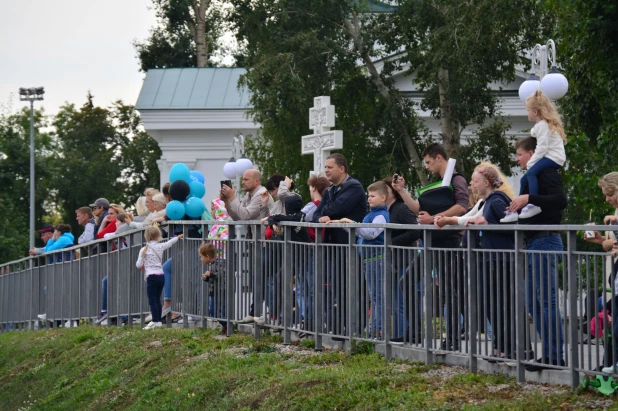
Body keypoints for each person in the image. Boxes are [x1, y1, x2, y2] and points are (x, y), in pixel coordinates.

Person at [392, 143, 468, 351]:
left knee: (447, 290)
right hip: (431, 241)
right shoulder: (438, 183)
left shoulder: (456, 179)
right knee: (406, 282)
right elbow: (419, 210)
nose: (426, 166)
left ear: (439, 158)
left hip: (447, 241)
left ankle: (452, 339)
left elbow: (462, 206)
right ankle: (415, 333)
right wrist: (402, 191)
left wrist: (434, 218)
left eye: (427, 162)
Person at [508, 136, 567, 371]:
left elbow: (561, 201)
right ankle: (551, 355)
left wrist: (529, 198)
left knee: (546, 301)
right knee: (533, 302)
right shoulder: (532, 177)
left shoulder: (546, 173)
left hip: (545, 241)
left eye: (520, 154)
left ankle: (555, 356)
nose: (517, 159)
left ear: (532, 153)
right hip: (534, 242)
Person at [312, 153, 366, 334]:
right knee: (339, 287)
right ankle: (342, 326)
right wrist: (323, 216)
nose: (325, 170)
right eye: (325, 167)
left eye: (329, 167)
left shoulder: (353, 186)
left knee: (355, 286)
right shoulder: (330, 190)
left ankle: (357, 327)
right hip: (335, 246)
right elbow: (316, 214)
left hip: (353, 244)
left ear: (341, 169)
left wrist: (326, 213)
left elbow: (337, 208)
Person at [466, 165, 515, 361]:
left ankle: (506, 347)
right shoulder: (486, 202)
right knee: (491, 304)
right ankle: (498, 345)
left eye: (475, 181)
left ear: (487, 183)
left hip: (500, 258)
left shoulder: (496, 200)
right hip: (491, 257)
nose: (472, 185)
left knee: (500, 304)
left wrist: (488, 225)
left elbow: (512, 225)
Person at [330, 181, 390, 338]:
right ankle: (374, 329)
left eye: (372, 196)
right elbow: (361, 231)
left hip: (376, 258)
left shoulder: (381, 216)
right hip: (368, 259)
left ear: (383, 197)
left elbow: (371, 233)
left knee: (377, 297)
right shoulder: (371, 214)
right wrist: (343, 223)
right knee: (374, 296)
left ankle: (377, 330)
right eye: (368, 196)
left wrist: (352, 224)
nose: (369, 199)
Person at [502, 90, 567, 222]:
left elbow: (542, 147)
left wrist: (532, 163)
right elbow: (535, 132)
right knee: (523, 179)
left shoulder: (543, 126)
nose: (527, 113)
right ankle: (517, 208)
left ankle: (532, 204)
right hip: (552, 156)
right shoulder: (541, 126)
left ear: (535, 112)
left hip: (554, 157)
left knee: (531, 173)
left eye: (527, 110)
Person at [220, 169, 268, 323]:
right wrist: (227, 201)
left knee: (262, 278)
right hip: (255, 242)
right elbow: (237, 217)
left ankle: (262, 313)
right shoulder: (249, 195)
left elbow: (246, 215)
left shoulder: (261, 194)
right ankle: (254, 312)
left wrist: (233, 197)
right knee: (257, 278)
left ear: (256, 181)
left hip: (265, 243)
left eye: (246, 179)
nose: (243, 182)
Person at [383, 177, 421, 344]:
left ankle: (410, 333)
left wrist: (390, 243)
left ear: (391, 192)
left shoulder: (400, 209)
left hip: (406, 260)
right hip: (396, 260)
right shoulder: (388, 211)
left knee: (404, 300)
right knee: (398, 301)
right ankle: (402, 333)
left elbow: (414, 231)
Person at [267, 194, 311, 328]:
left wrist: (274, 222)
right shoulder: (297, 215)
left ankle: (305, 318)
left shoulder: (297, 216)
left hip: (303, 256)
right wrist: (273, 222)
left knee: (303, 288)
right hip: (295, 256)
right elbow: (273, 218)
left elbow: (275, 217)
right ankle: (281, 315)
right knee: (281, 280)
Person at [136, 226, 183, 330]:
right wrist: (178, 237)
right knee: (158, 299)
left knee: (153, 300)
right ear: (158, 235)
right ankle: (158, 321)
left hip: (151, 277)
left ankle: (156, 321)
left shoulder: (143, 250)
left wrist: (144, 265)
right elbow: (169, 243)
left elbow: (138, 265)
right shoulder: (160, 246)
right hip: (161, 275)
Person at [199, 242, 230, 334]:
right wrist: (206, 278)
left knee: (214, 310)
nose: (201, 259)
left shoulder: (219, 263)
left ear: (207, 257)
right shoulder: (212, 265)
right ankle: (226, 326)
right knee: (216, 310)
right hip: (214, 291)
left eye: (202, 257)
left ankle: (227, 325)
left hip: (220, 291)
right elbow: (214, 279)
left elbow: (221, 275)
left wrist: (211, 274)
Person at [302, 175, 330, 242]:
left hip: (312, 242)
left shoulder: (313, 205)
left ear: (314, 188)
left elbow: (299, 217)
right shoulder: (329, 205)